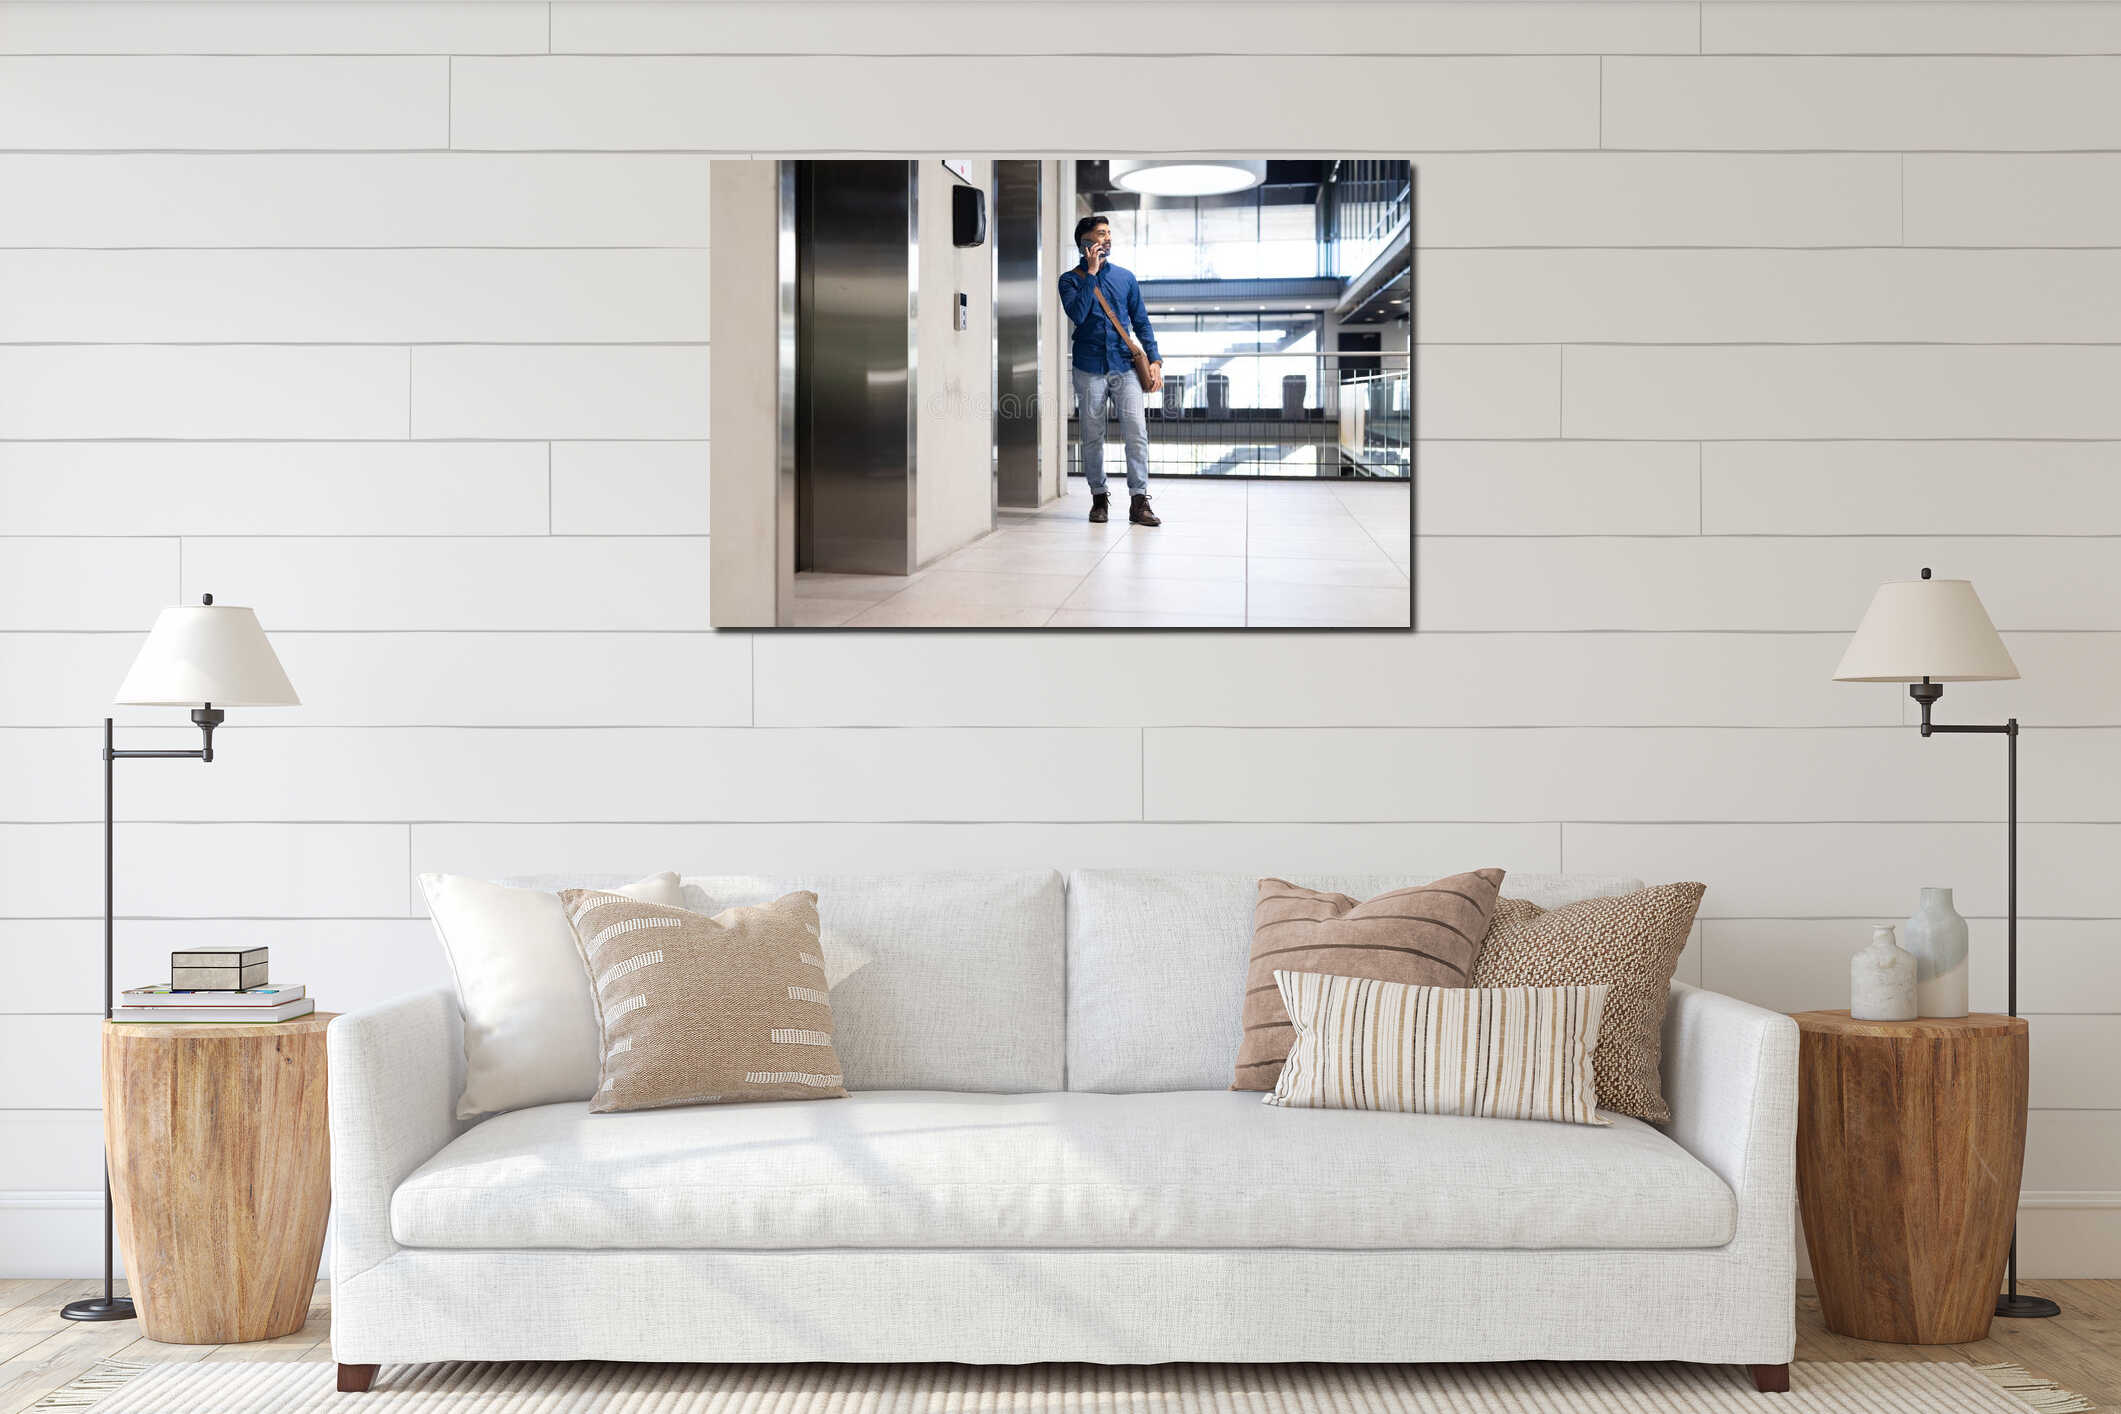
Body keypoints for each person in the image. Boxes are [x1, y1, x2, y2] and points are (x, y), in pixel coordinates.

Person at [1058, 214, 1163, 526]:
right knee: (1092, 435)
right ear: (1086, 242)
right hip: (1088, 367)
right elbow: (1077, 314)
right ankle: (1099, 498)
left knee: (1137, 432)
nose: (1108, 238)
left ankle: (1139, 501)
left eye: (1108, 233)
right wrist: (1091, 274)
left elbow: (1140, 320)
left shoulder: (1125, 278)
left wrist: (1155, 359)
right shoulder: (1069, 280)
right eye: (1101, 234)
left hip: (1124, 366)